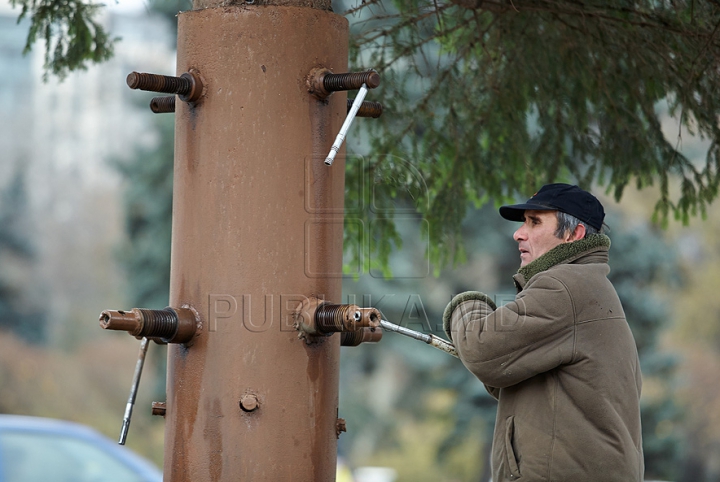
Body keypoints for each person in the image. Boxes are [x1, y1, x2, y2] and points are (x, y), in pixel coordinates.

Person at [442, 183, 644, 481]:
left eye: (535, 222)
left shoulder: (564, 286)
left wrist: (466, 304)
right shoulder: (588, 284)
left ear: (574, 234)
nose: (518, 233)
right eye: (524, 222)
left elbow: (481, 348)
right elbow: (514, 379)